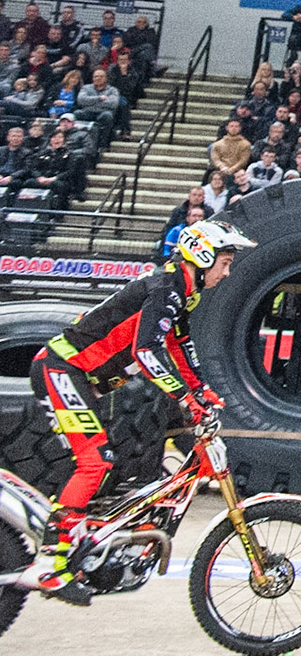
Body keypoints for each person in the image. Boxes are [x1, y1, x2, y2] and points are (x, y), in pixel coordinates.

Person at [30, 219, 256, 600]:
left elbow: (179, 345)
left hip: (82, 378)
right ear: (202, 256)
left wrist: (201, 389)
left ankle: (82, 542)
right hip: (62, 369)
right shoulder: (166, 288)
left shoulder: (182, 292)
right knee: (95, 462)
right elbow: (146, 350)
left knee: (109, 465)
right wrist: (184, 397)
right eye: (225, 263)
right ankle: (51, 566)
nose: (227, 272)